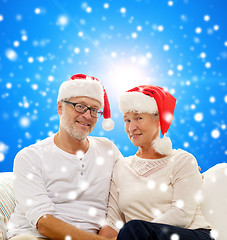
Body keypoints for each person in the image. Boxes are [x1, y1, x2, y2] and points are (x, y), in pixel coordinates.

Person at [6, 74, 122, 240]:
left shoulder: (108, 150)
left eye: (94, 110)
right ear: (60, 107)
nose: (88, 116)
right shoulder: (30, 157)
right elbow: (43, 221)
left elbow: (118, 203)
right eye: (80, 106)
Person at [99, 85, 214, 240]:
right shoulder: (121, 167)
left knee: (134, 228)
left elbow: (182, 214)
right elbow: (112, 222)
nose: (131, 127)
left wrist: (137, 234)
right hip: (136, 236)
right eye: (127, 120)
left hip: (191, 234)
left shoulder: (182, 160)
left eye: (139, 118)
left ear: (158, 119)